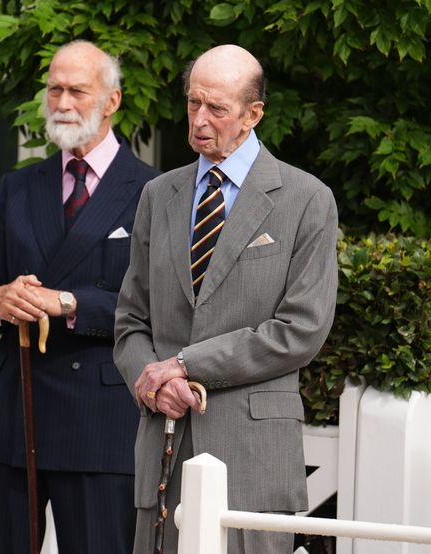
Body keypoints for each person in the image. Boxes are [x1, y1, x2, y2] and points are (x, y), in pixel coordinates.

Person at [113, 44, 339, 553]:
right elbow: (130, 322)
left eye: (216, 108)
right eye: (194, 103)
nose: (199, 119)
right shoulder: (159, 195)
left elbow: (301, 330)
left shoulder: (307, 199)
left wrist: (184, 364)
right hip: (165, 451)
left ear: (252, 114)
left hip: (253, 463)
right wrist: (151, 384)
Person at [0, 40, 159, 554]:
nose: (63, 102)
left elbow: (160, 310)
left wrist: (69, 303)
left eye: (78, 90)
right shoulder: (19, 186)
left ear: (112, 101)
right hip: (16, 413)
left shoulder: (153, 191)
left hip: (99, 422)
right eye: (54, 89)